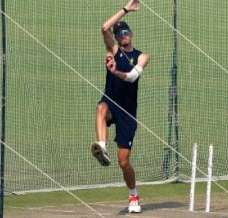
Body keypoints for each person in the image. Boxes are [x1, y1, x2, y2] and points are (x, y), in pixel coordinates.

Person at [90, 0, 149, 213]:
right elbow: (104, 27)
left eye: (126, 32)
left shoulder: (141, 56)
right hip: (111, 102)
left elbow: (133, 77)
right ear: (116, 38)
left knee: (123, 162)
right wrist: (126, 9)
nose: (123, 35)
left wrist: (115, 72)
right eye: (120, 33)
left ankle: (134, 195)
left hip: (127, 113)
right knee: (100, 109)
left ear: (131, 34)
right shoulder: (113, 49)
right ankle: (102, 146)